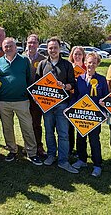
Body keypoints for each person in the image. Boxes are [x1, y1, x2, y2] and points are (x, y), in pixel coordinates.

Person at [0, 37, 42, 165]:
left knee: (27, 127)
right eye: (6, 46)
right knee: (7, 128)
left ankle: (32, 153)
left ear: (16, 47)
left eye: (11, 46)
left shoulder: (24, 60)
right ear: (3, 48)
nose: (8, 48)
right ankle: (12, 151)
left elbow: (27, 78)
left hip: (22, 100)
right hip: (3, 101)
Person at [35, 37, 78, 174]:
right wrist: (37, 98)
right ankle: (51, 155)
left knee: (63, 134)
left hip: (62, 105)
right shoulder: (42, 64)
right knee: (49, 132)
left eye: (55, 48)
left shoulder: (67, 65)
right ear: (47, 50)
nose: (53, 50)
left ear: (60, 49)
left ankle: (63, 160)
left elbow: (73, 84)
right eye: (50, 48)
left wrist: (64, 86)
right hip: (47, 106)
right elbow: (37, 84)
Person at [71, 52, 108, 177]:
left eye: (93, 62)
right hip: (81, 114)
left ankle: (97, 165)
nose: (91, 65)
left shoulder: (102, 80)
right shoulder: (79, 79)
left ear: (97, 64)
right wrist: (71, 109)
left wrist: (104, 108)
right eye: (89, 62)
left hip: (95, 116)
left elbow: (106, 97)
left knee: (94, 139)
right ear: (85, 63)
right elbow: (76, 96)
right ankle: (82, 160)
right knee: (80, 138)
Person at [24, 34, 47, 157]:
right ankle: (27, 145)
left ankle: (39, 146)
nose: (32, 45)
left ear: (38, 44)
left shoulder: (43, 59)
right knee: (25, 123)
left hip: (38, 97)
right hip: (23, 96)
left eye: (34, 42)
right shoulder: (21, 58)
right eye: (29, 42)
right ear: (26, 44)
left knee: (36, 123)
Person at [68, 46, 86, 157]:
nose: (77, 56)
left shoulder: (87, 67)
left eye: (80, 54)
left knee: (81, 128)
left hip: (82, 100)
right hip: (70, 99)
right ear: (72, 55)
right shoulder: (68, 67)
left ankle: (80, 151)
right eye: (75, 54)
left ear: (83, 56)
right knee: (69, 127)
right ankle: (69, 149)